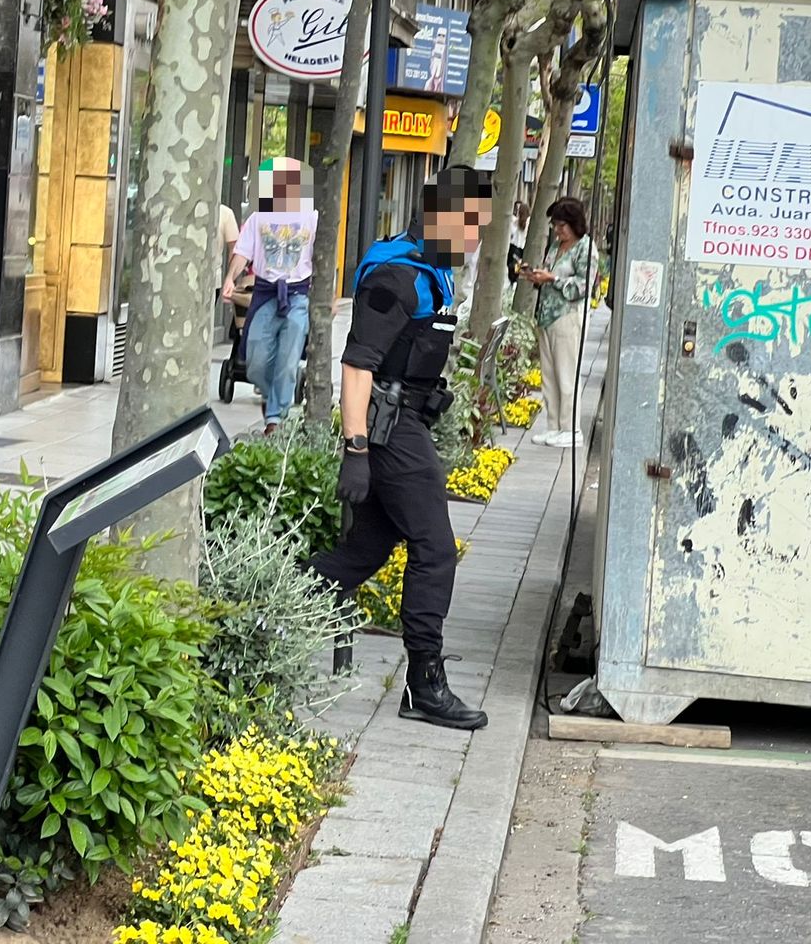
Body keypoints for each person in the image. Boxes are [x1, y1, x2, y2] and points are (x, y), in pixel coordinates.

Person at [310, 165, 494, 733]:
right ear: (438, 217)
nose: (475, 236)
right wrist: (356, 449)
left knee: (361, 554)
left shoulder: (433, 272)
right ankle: (424, 684)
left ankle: (255, 614)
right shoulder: (396, 275)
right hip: (388, 431)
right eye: (469, 224)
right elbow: (357, 363)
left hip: (405, 420)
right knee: (435, 547)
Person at [221, 159, 318, 432]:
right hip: (265, 293)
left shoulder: (312, 218)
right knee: (255, 364)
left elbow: (323, 259)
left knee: (288, 361)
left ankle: (275, 418)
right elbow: (243, 252)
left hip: (299, 294)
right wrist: (230, 278)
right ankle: (273, 395)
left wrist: (328, 298)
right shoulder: (258, 217)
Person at [524, 197, 595, 449]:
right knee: (549, 375)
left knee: (567, 374)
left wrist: (552, 279)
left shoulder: (585, 248)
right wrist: (535, 275)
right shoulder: (556, 247)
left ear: (574, 224)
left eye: (561, 225)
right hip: (546, 316)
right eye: (555, 225)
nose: (557, 230)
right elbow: (549, 271)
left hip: (567, 316)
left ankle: (571, 428)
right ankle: (553, 425)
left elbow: (585, 285)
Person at [506, 201, 530, 285]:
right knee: (516, 265)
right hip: (520, 247)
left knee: (513, 265)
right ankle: (514, 280)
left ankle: (513, 280)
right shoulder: (518, 221)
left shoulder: (524, 222)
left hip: (515, 246)